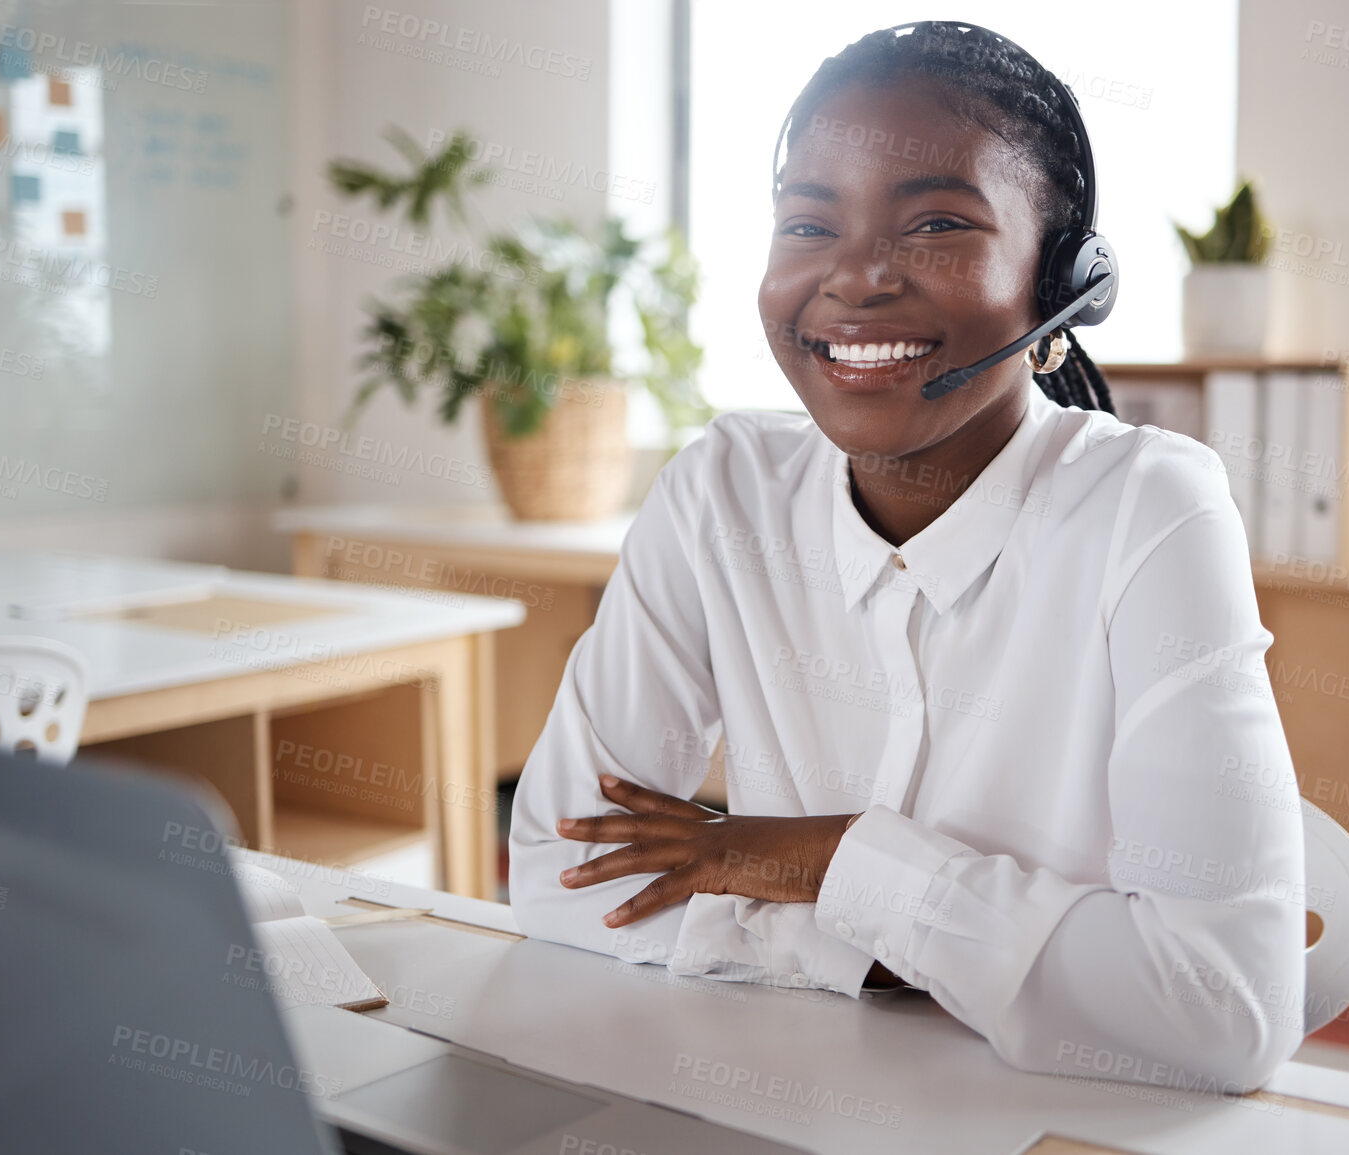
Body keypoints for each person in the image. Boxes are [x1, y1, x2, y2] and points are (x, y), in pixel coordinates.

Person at [508, 21, 1305, 1092]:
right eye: (807, 223)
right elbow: (567, 876)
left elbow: (1221, 1013)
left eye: (936, 224)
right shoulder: (720, 491)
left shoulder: (1149, 508)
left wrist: (812, 858)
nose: (857, 278)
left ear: (1062, 283)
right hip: (780, 1097)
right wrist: (927, 950)